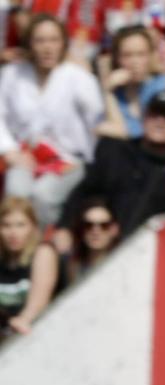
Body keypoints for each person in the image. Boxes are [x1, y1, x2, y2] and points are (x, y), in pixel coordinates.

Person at [1, 14, 101, 226]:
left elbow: (97, 120)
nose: (47, 47)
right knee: (16, 192)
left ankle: (45, 251)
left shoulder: (78, 77)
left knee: (42, 196)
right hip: (24, 156)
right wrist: (9, 152)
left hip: (68, 161)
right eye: (40, 40)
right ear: (30, 43)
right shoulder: (12, 74)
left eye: (54, 40)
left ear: (63, 43)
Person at [57, 89, 165, 244]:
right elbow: (83, 191)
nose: (160, 121)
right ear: (143, 117)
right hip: (111, 248)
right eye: (154, 114)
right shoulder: (117, 152)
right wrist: (64, 227)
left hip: (160, 249)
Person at [96, 24, 165, 141]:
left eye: (141, 54)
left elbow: (120, 131)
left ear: (151, 56)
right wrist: (108, 92)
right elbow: (112, 128)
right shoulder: (116, 92)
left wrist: (124, 132)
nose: (134, 62)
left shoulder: (164, 84)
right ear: (117, 59)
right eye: (127, 55)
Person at [1, 193, 59, 339]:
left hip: (31, 334)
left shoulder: (43, 253)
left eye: (20, 225)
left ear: (33, 227)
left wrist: (22, 321)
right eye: (6, 225)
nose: (13, 233)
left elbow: (37, 304)